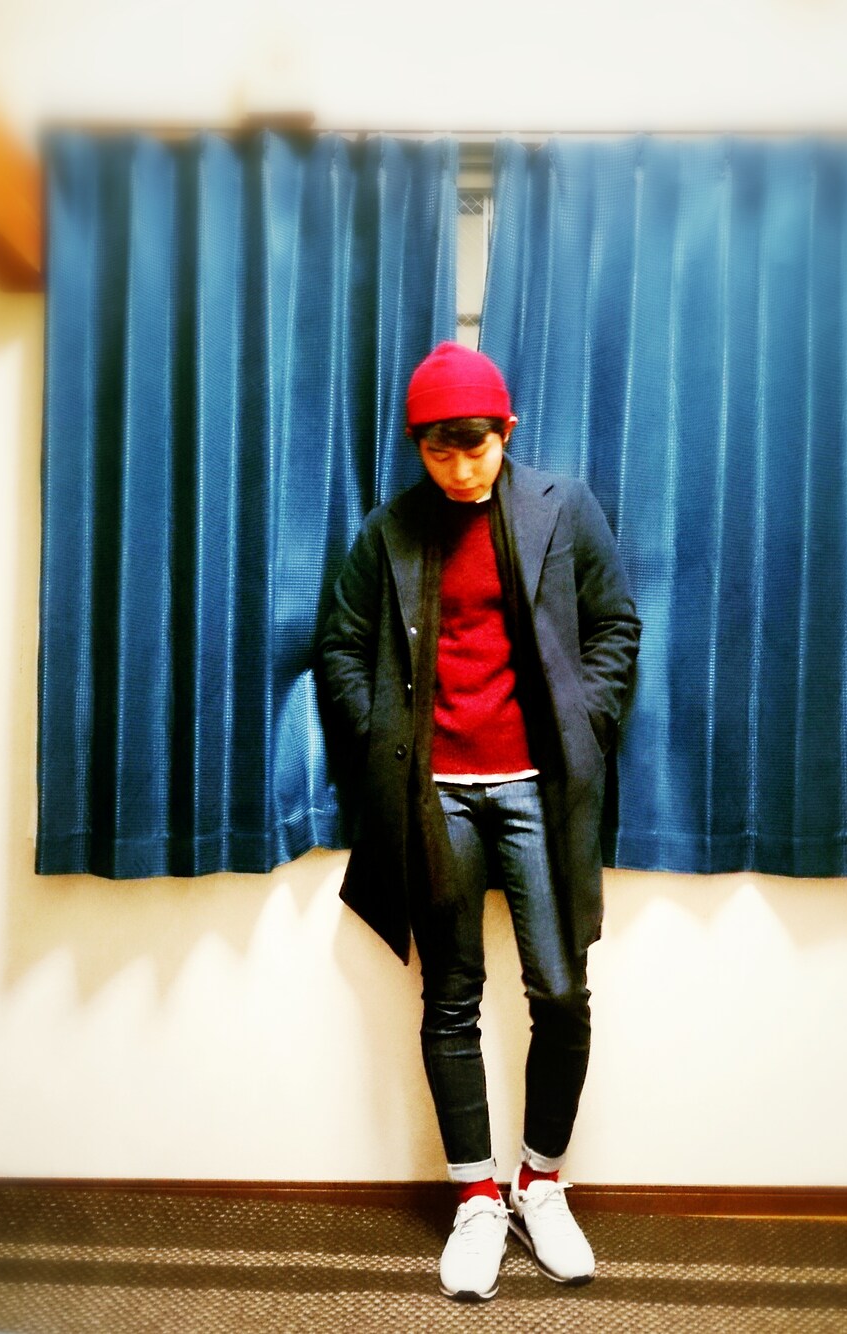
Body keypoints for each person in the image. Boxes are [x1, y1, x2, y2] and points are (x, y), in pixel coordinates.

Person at [318, 342, 641, 1302]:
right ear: (417, 446)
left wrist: (587, 721)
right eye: (439, 451)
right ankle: (475, 1199)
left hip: (540, 788)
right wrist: (387, 742)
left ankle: (541, 1184)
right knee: (450, 995)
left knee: (562, 991)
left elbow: (617, 624)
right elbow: (341, 647)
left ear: (506, 431)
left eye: (476, 447)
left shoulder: (563, 506)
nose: (460, 468)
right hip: (436, 795)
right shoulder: (390, 530)